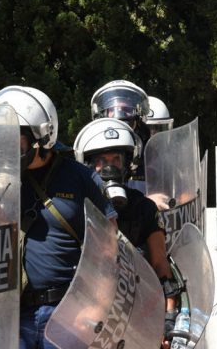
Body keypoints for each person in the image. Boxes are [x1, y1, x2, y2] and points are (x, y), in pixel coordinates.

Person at [0, 85, 118, 349]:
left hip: (67, 311)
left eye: (15, 139)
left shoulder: (80, 177)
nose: (5, 145)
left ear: (41, 136)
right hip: (6, 315)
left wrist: (96, 308)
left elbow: (109, 248)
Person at [73, 118, 179, 347]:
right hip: (90, 312)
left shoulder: (143, 207)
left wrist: (168, 319)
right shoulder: (78, 208)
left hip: (137, 308)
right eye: (101, 161)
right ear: (89, 166)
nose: (109, 167)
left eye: (116, 160)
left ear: (128, 163)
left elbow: (161, 264)